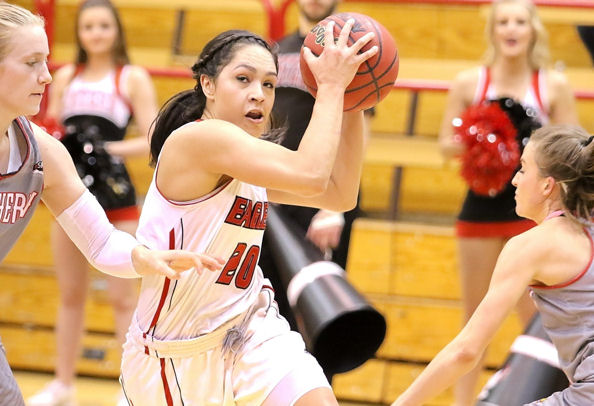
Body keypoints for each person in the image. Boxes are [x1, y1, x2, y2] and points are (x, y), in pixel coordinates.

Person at [118, 21, 377, 406]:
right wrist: (333, 87)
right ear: (207, 85)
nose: (258, 94)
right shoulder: (199, 139)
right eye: (243, 79)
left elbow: (339, 194)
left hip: (250, 329)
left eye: (269, 84)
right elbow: (309, 175)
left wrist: (354, 100)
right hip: (177, 353)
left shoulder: (246, 156)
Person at [0, 3, 223, 406]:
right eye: (32, 62)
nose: (47, 76)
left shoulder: (42, 152)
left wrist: (144, 256)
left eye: (47, 61)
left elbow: (101, 242)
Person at [392, 123, 594, 405]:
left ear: (548, 186)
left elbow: (466, 351)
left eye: (523, 169)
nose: (515, 180)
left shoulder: (532, 245)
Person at [437, 0, 578, 403]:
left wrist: (534, 143)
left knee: (538, 323)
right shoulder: (469, 82)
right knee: (473, 323)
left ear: (533, 29)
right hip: (479, 209)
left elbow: (576, 147)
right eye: (503, 22)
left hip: (534, 215)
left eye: (519, 21)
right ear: (493, 30)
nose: (511, 29)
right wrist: (482, 139)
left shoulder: (553, 85)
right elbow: (445, 144)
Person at [27, 1, 159, 404]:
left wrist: (105, 147)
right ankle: (64, 383)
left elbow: (154, 138)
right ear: (80, 33)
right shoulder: (64, 76)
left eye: (104, 25)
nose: (96, 33)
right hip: (70, 190)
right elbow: (47, 128)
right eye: (88, 26)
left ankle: (130, 389)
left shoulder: (131, 77)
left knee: (124, 297)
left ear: (116, 30)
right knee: (71, 293)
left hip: (115, 192)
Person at [258, 1, 372, 375]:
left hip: (323, 196)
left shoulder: (346, 50)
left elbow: (358, 128)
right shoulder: (276, 49)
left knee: (320, 310)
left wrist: (333, 208)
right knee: (270, 307)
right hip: (276, 192)